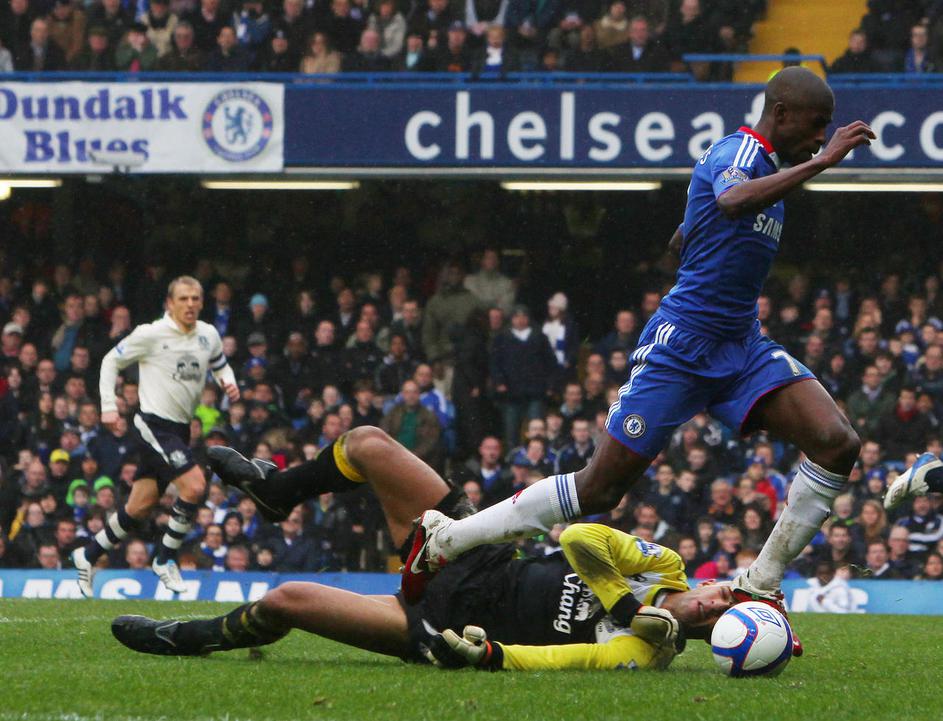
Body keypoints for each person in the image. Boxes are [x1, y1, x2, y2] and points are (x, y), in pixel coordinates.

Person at [403, 68, 879, 660]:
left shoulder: (768, 169)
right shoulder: (740, 153)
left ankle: (760, 586)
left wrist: (696, 233)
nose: (820, 137)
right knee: (599, 488)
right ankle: (448, 538)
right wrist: (823, 163)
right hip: (681, 349)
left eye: (825, 132)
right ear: (780, 114)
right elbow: (730, 199)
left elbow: (690, 232)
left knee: (837, 443)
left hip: (740, 345)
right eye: (815, 126)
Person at [112, 426, 734, 669]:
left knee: (284, 600)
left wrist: (487, 655)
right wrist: (625, 605)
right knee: (368, 445)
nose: (710, 608)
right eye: (723, 597)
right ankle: (276, 491)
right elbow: (579, 536)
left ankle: (188, 638)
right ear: (712, 583)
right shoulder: (667, 566)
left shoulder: (645, 653)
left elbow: (558, 662)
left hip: (443, 625)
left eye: (715, 622)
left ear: (709, 638)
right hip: (472, 553)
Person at [71, 277, 240, 597]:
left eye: (195, 298)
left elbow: (220, 365)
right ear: (170, 303)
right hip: (153, 424)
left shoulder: (208, 334)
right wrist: (109, 406)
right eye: (183, 298)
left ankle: (88, 554)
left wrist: (227, 382)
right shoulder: (150, 334)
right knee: (195, 486)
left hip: (180, 429)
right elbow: (110, 361)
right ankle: (164, 558)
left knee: (140, 506)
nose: (190, 304)